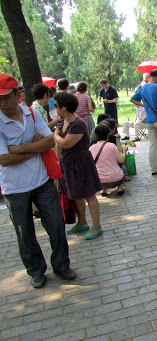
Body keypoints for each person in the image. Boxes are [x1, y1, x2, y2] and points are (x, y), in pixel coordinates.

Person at [0, 74, 77, 289]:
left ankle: (62, 265)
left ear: (17, 94)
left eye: (6, 97)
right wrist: (35, 147)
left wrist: (17, 148)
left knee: (56, 225)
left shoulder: (31, 114)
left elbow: (50, 140)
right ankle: (36, 270)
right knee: (25, 233)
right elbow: (4, 160)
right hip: (14, 188)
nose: (3, 103)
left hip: (42, 181)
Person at [53, 92, 103, 240]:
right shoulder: (62, 122)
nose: (54, 108)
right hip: (66, 163)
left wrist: (56, 137)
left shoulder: (78, 124)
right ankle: (82, 221)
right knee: (74, 194)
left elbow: (66, 143)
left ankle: (97, 225)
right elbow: (59, 145)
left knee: (88, 194)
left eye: (56, 105)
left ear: (64, 107)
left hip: (80, 163)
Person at [131, 69, 157, 176]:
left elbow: (132, 99)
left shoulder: (143, 87)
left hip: (149, 121)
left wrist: (143, 105)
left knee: (152, 145)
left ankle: (154, 169)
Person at [89, 125, 128, 196]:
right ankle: (120, 187)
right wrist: (124, 151)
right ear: (108, 135)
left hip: (99, 181)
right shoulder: (111, 146)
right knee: (123, 167)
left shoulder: (91, 148)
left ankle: (103, 190)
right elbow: (121, 160)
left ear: (96, 135)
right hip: (116, 179)